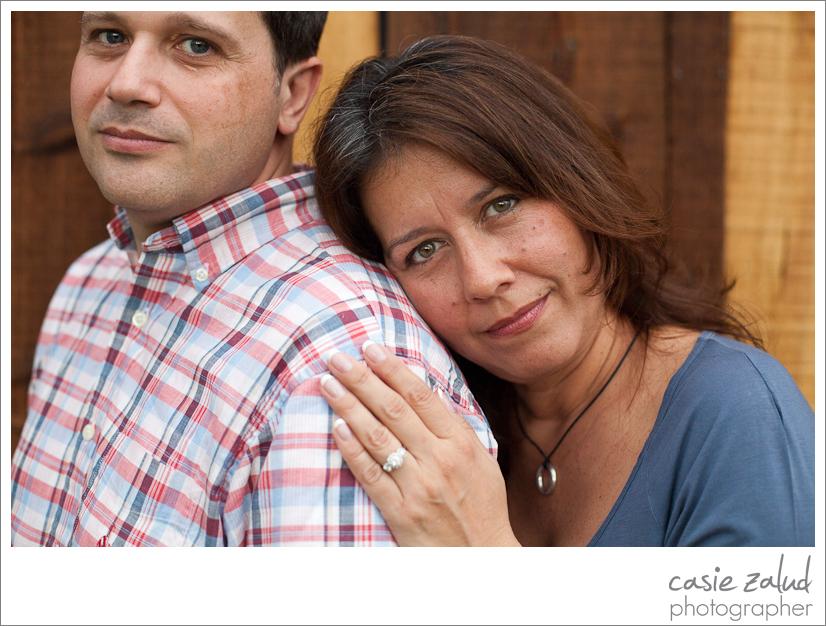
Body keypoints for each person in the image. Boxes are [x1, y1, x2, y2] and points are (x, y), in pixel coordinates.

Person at [10, 13, 494, 547]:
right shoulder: (91, 282)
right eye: (110, 36)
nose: (126, 83)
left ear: (292, 95)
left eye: (196, 45)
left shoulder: (336, 361)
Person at [312, 35, 815, 546]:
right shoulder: (448, 436)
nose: (484, 279)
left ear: (575, 182)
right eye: (424, 251)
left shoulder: (736, 412)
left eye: (501, 206)